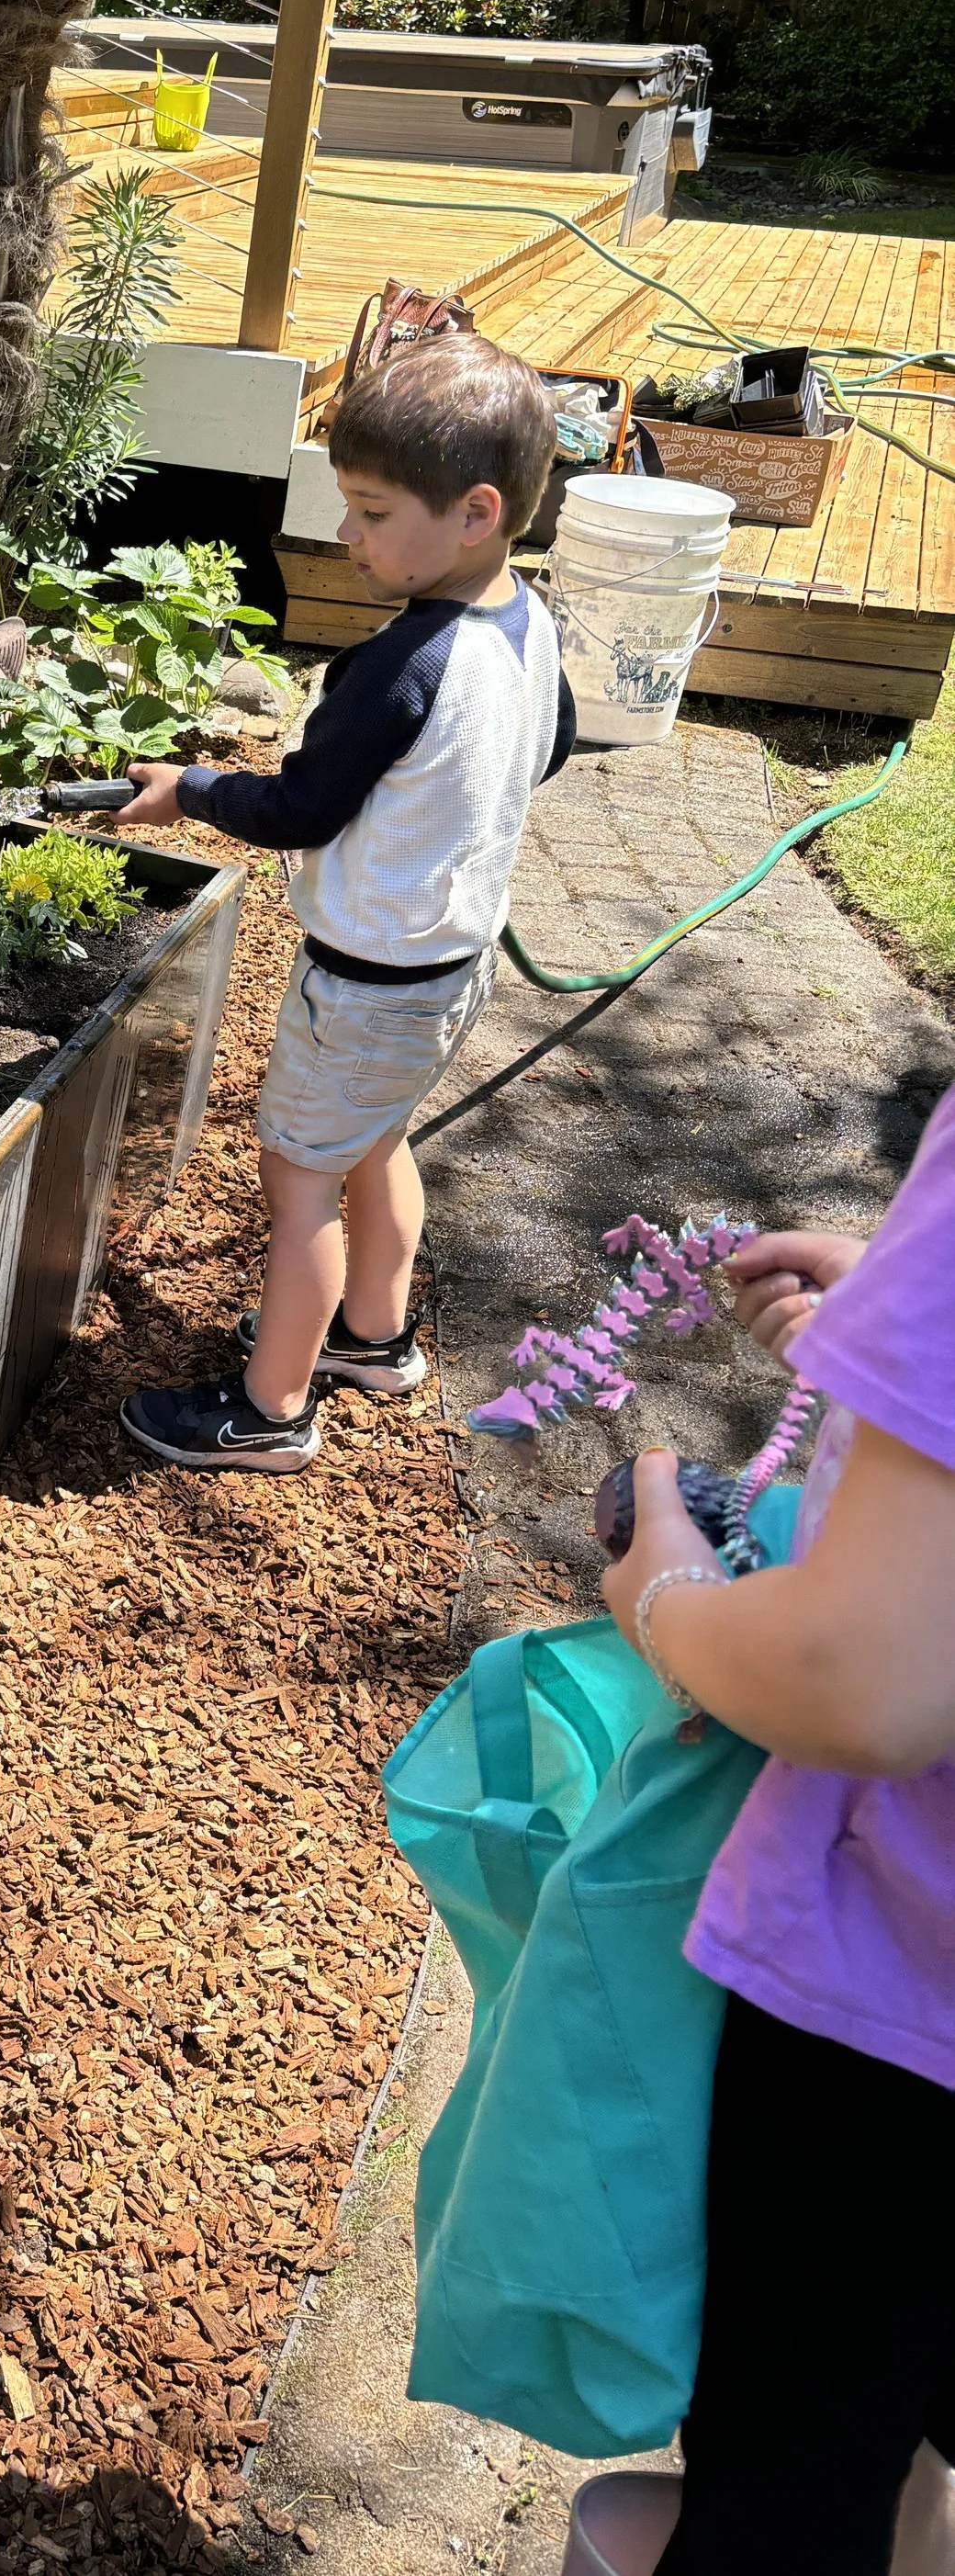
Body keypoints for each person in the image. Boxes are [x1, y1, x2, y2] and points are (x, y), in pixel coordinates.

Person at [597, 1093, 955, 2576]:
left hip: (903, 2034)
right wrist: (895, 1335)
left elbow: (864, 1680)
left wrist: (660, 1586)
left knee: (787, 2496)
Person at [112, 333, 573, 1472]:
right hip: (445, 972)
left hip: (366, 982)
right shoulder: (526, 620)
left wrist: (194, 790)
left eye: (369, 512)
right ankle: (372, 1338)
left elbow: (302, 808)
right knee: (376, 1142)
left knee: (301, 1182)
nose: (343, 535)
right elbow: (550, 742)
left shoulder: (403, 666)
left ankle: (270, 1411)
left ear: (473, 513)